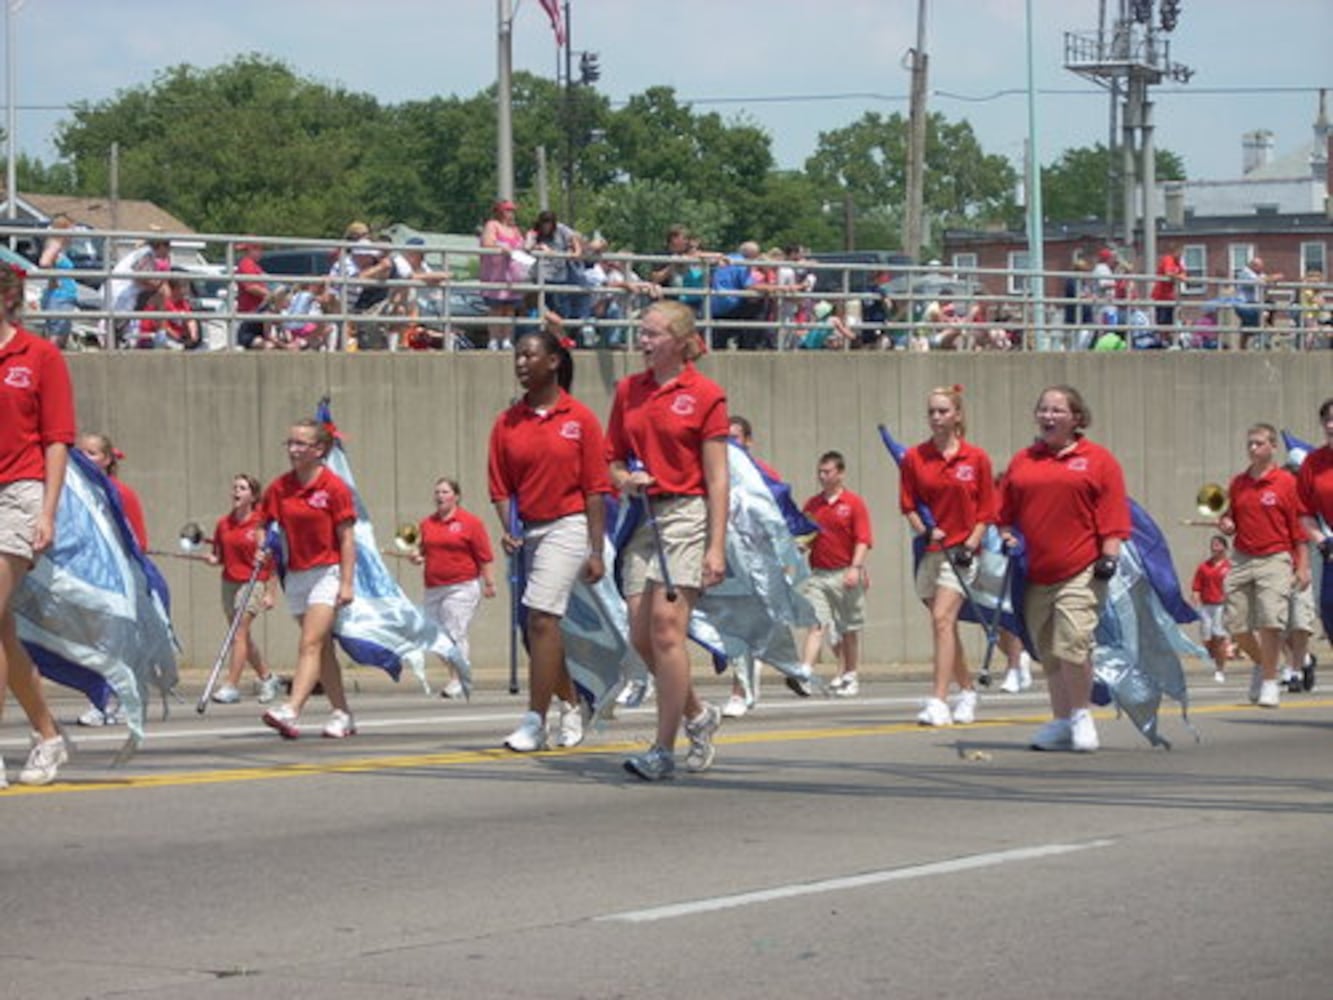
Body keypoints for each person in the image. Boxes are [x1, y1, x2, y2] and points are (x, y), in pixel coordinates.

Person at [606, 301, 729, 780]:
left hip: (685, 512)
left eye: (653, 334)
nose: (643, 341)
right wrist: (623, 479)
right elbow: (611, 459)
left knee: (666, 627)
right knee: (641, 636)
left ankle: (662, 749)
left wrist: (715, 546)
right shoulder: (627, 391)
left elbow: (717, 479)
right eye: (641, 333)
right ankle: (698, 713)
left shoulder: (705, 394)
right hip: (640, 515)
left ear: (679, 340)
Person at [488, 329, 609, 751]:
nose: (521, 363)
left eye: (529, 355)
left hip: (570, 525)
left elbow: (596, 488)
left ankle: (534, 722)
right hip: (531, 530)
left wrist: (596, 550)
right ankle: (573, 703)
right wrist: (510, 527)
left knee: (542, 618)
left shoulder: (581, 419)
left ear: (554, 361)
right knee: (533, 631)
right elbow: (500, 487)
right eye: (516, 356)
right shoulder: (507, 422)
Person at [999, 385, 1131, 752]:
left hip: (1082, 568)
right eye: (1043, 409)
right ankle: (1061, 721)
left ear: (1076, 417)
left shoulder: (1098, 460)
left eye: (1058, 410)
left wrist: (1110, 553)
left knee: (1074, 642)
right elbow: (1004, 514)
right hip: (1036, 572)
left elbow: (1113, 513)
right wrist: (1008, 537)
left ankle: (1081, 715)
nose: (1049, 416)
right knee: (1049, 649)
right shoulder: (1023, 461)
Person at [0, 260, 74, 786]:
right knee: (2, 630)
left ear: (8, 297)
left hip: (19, 491)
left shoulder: (40, 355)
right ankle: (48, 736)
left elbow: (56, 439)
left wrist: (47, 510)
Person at [898, 386, 996, 726]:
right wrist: (925, 530)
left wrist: (972, 544)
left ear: (957, 415)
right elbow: (908, 505)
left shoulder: (976, 458)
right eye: (932, 412)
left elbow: (987, 510)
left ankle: (938, 701)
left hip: (963, 552)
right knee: (945, 626)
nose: (936, 418)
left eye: (943, 411)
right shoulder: (915, 457)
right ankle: (967, 690)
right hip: (931, 550)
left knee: (941, 619)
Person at [259, 418, 358, 739]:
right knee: (322, 649)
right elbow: (265, 523)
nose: (293, 449)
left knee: (310, 643)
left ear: (318, 449)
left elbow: (346, 538)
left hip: (327, 572)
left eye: (300, 444)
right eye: (290, 443)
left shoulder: (333, 488)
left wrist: (346, 582)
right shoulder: (280, 487)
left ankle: (292, 709)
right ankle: (342, 713)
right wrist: (262, 545)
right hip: (297, 574)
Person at [1219, 423, 1308, 708]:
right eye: (1249, 443)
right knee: (1236, 624)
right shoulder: (1238, 483)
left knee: (1270, 621)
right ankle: (1262, 663)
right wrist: (1227, 524)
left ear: (1272, 447)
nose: (1252, 448)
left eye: (1258, 443)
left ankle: (1270, 682)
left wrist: (1302, 566)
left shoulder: (1286, 483)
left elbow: (1299, 529)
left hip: (1276, 557)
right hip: (1243, 557)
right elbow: (1230, 519)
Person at [74, 431, 148, 727]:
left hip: (115, 576)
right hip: (85, 575)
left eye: (92, 453)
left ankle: (109, 702)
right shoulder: (73, 493)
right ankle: (105, 699)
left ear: (107, 459)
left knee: (110, 643)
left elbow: (138, 540)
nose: (85, 458)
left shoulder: (121, 493)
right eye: (81, 452)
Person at [793, 450, 873, 697]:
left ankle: (850, 675)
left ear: (840, 473)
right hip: (818, 575)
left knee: (848, 628)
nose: (822, 476)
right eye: (820, 471)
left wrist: (855, 568)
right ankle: (804, 673)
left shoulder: (853, 503)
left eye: (827, 472)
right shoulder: (812, 505)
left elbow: (863, 539)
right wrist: (798, 546)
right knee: (816, 624)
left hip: (845, 573)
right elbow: (805, 537)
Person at [414, 476, 495, 700]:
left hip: (461, 585)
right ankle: (458, 675)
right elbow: (423, 550)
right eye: (437, 492)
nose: (440, 496)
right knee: (433, 635)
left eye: (445, 492)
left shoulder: (470, 522)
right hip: (433, 586)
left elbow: (484, 555)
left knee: (454, 630)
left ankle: (458, 679)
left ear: (456, 497)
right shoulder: (427, 523)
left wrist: (489, 582)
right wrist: (418, 556)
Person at [205, 474, 280, 705]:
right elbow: (220, 556)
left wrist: (270, 592)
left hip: (253, 581)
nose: (236, 491)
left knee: (238, 633)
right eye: (235, 487)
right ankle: (267, 677)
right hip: (229, 581)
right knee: (242, 636)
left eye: (243, 488)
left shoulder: (260, 523)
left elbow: (273, 560)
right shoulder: (223, 524)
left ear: (253, 495)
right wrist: (212, 559)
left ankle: (231, 685)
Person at [479, 200, 526, 351]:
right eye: (508, 210)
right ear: (500, 212)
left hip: (513, 275)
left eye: (512, 211)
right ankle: (493, 339)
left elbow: (522, 246)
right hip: (496, 273)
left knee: (510, 308)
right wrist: (501, 246)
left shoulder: (515, 230)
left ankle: (507, 339)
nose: (511, 214)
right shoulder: (492, 225)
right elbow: (487, 243)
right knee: (496, 308)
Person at [1190, 534, 1232, 684]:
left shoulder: (1230, 567)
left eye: (1218, 544)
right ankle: (1219, 654)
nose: (1214, 547)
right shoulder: (1204, 567)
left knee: (1218, 637)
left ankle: (1220, 669)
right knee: (1207, 640)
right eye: (1213, 544)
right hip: (1206, 606)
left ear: (1224, 548)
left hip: (1222, 606)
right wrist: (1196, 599)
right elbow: (1196, 586)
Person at [38, 215, 79, 349]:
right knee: (56, 334)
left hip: (63, 296)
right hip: (59, 296)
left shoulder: (60, 247)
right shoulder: (55, 245)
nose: (73, 234)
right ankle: (48, 362)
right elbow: (44, 262)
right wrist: (54, 279)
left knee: (61, 335)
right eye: (72, 230)